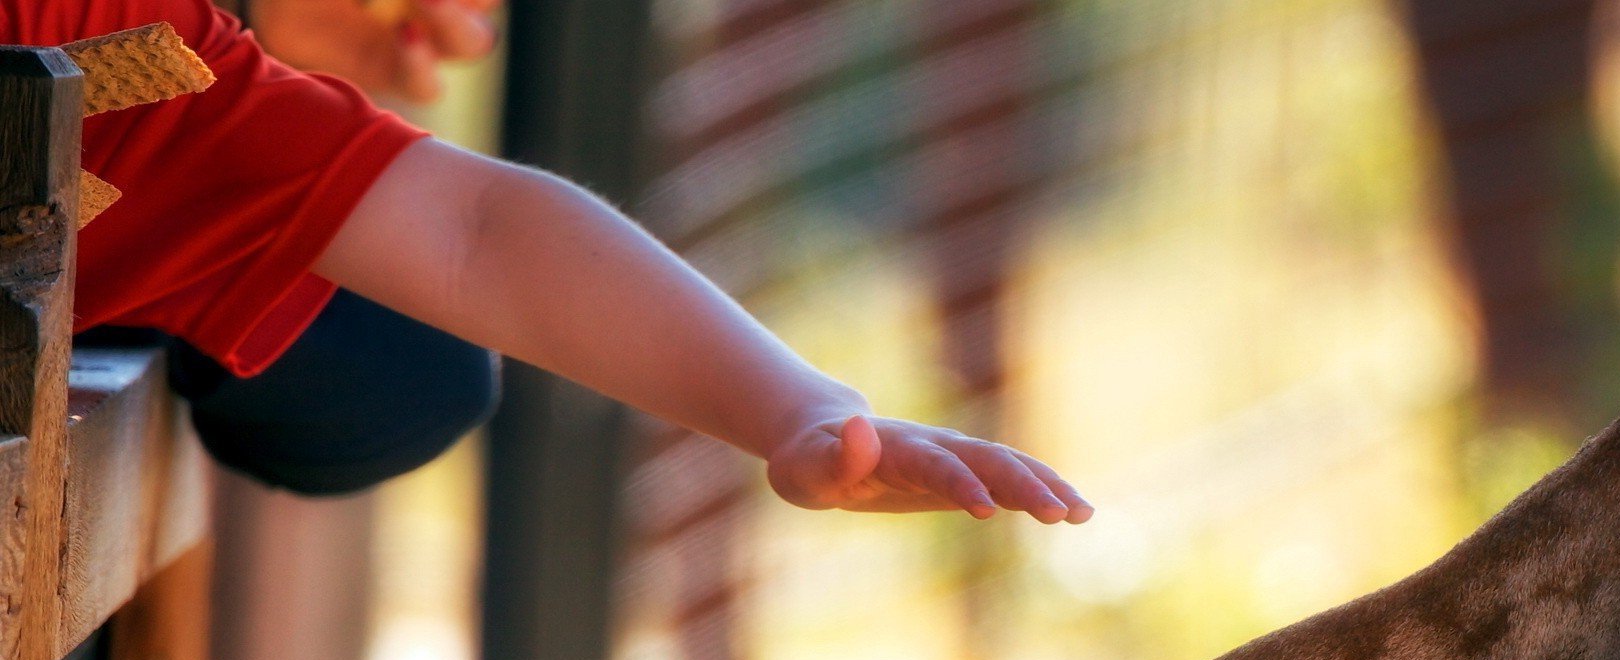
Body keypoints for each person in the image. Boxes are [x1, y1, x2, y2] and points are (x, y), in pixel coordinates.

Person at [13, 0, 1089, 521]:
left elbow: (472, 232)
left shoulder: (128, 57)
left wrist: (802, 409)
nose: (465, 38)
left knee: (403, 373)